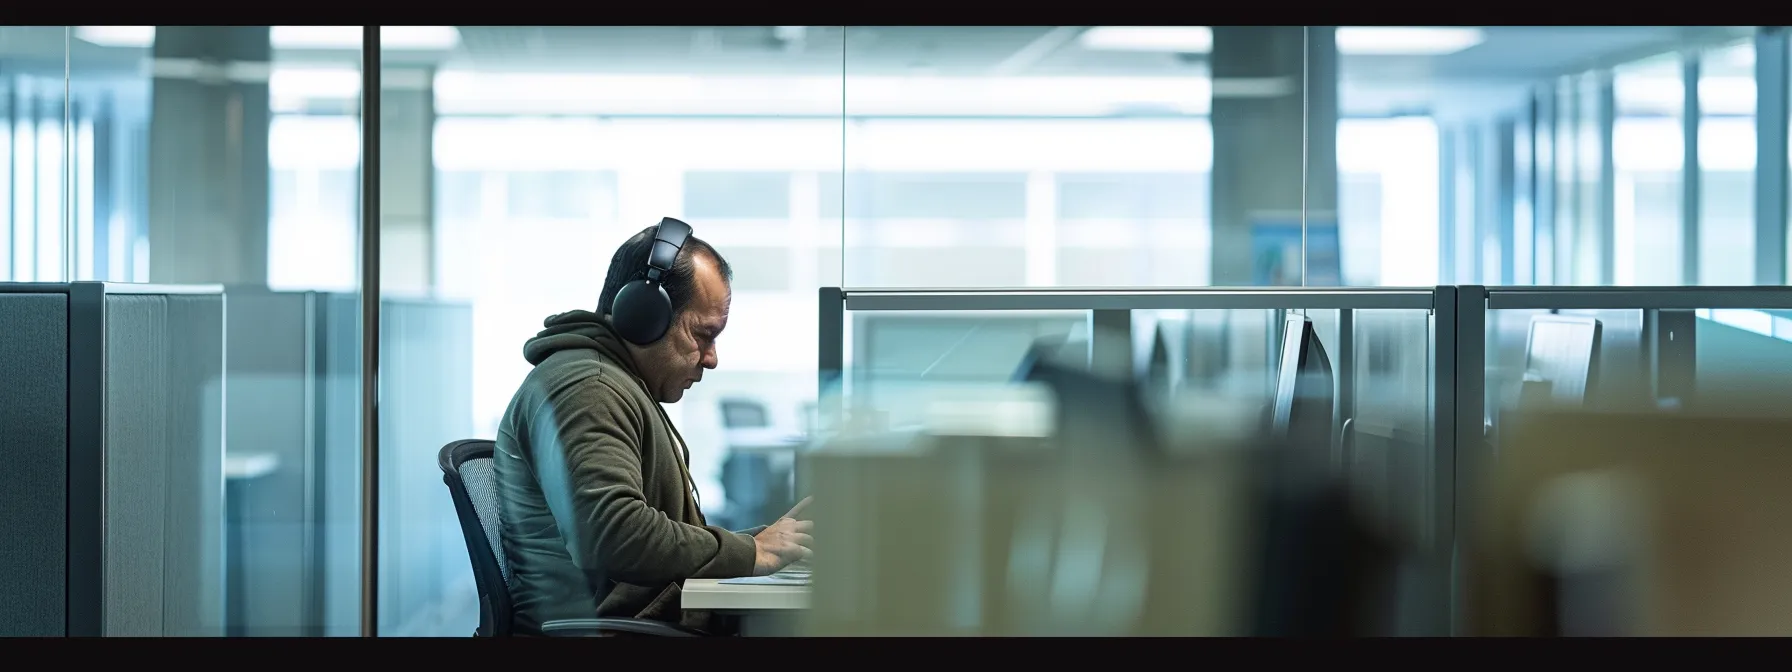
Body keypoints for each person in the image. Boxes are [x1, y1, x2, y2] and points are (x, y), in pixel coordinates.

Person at [492, 218, 813, 636]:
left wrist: (767, 542)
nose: (712, 358)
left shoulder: (610, 381)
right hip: (619, 635)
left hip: (639, 625)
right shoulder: (590, 388)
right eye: (704, 334)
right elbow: (614, 534)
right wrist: (749, 552)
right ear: (643, 315)